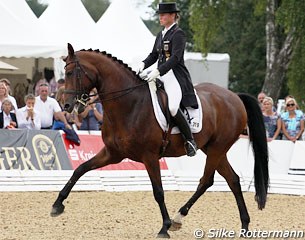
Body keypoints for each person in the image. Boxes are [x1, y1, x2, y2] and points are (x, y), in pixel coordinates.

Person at [136, 2, 198, 156]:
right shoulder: (161, 34)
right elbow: (154, 55)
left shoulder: (178, 34)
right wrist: (142, 64)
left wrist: (158, 70)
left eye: (163, 15)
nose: (160, 17)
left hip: (174, 76)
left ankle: (190, 140)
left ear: (172, 15)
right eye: (159, 15)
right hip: (160, 74)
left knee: (172, 107)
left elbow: (176, 58)